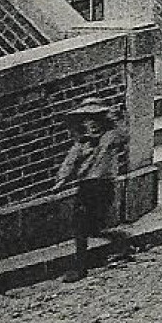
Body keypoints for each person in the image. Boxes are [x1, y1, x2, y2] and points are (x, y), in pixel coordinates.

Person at [51, 98, 131, 282]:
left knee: (96, 228)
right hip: (86, 187)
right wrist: (60, 182)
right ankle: (81, 267)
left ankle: (121, 241)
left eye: (96, 118)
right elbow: (68, 164)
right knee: (80, 226)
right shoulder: (80, 144)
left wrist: (116, 119)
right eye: (87, 119)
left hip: (103, 186)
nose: (92, 123)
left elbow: (124, 136)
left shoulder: (109, 137)